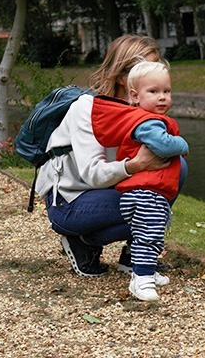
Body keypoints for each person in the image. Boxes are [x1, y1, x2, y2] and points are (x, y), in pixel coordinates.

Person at [34, 35, 186, 277]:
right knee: (151, 203)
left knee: (174, 172)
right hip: (70, 201)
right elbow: (93, 174)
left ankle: (134, 255)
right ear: (123, 77)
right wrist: (135, 165)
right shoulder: (88, 108)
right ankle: (82, 240)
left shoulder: (143, 105)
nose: (155, 74)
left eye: (157, 66)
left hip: (108, 191)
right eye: (146, 67)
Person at [91, 61, 187, 301]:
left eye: (167, 91)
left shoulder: (147, 118)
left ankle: (146, 271)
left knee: (148, 233)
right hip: (144, 192)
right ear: (134, 96)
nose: (162, 97)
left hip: (148, 192)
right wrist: (183, 145)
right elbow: (164, 145)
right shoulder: (146, 122)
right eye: (153, 92)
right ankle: (141, 280)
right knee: (149, 235)